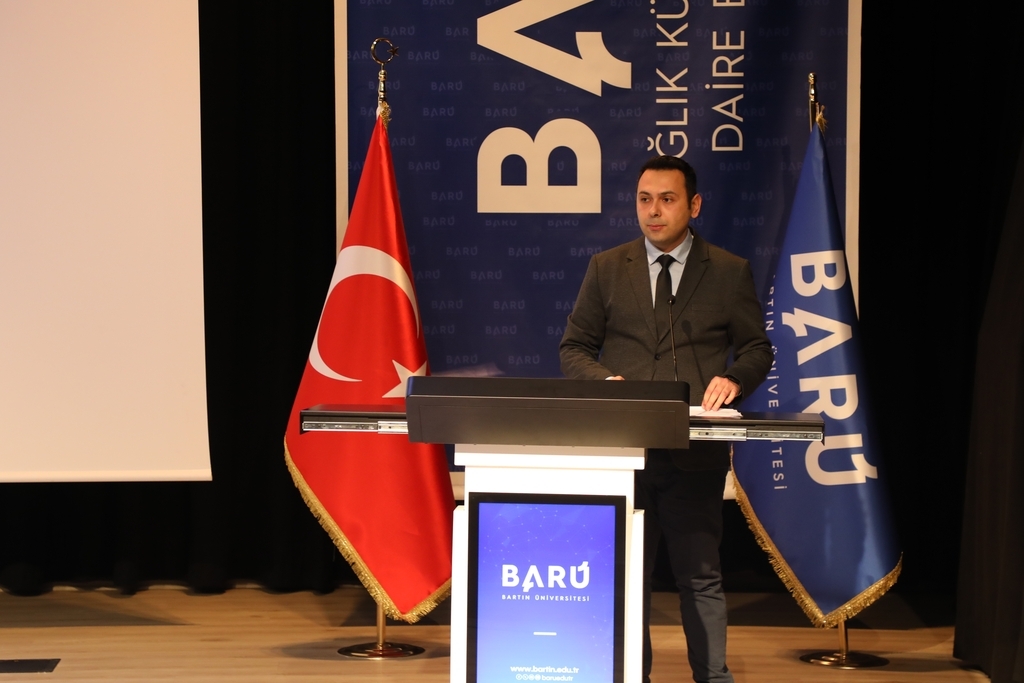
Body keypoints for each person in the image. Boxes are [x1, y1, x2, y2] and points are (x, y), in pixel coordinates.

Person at [559, 155, 773, 683]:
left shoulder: (728, 271)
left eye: (667, 199)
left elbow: (756, 348)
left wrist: (734, 378)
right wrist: (605, 382)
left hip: (693, 454)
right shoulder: (608, 267)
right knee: (628, 576)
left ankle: (713, 677)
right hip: (624, 453)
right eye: (645, 199)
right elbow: (574, 347)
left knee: (700, 576)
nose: (654, 211)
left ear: (693, 205)